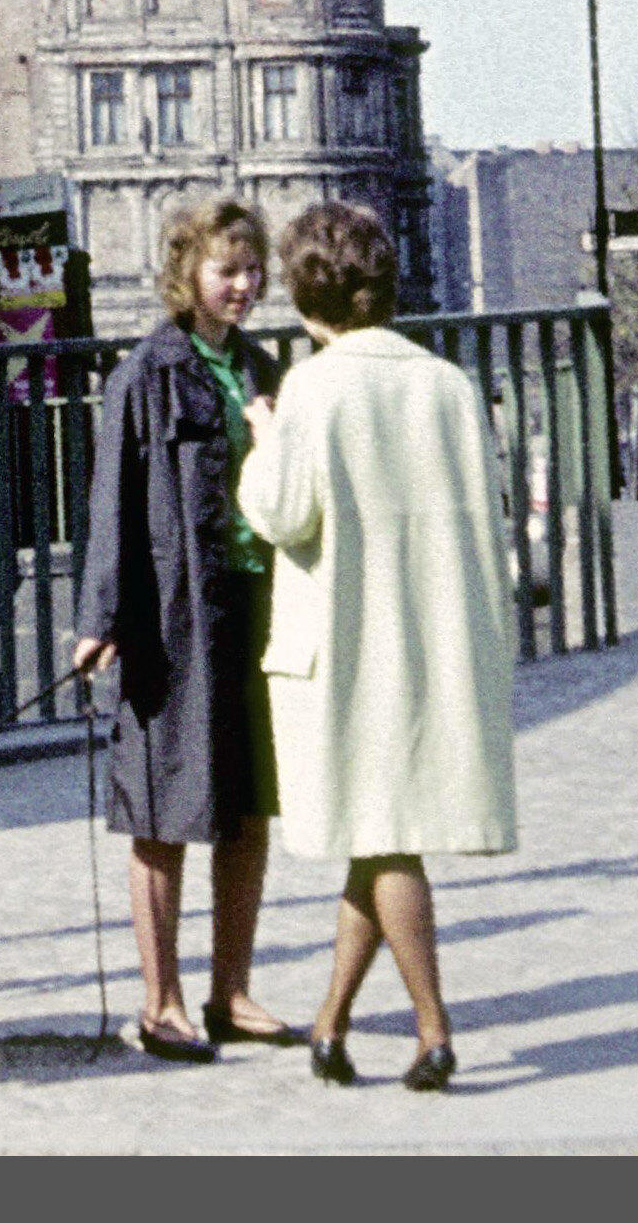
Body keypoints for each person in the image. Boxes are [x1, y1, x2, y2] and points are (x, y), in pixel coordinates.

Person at [237, 201, 517, 1094]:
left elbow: (281, 513)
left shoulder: (315, 387)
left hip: (350, 645)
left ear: (304, 293)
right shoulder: (447, 383)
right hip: (436, 639)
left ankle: (434, 1029)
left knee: (388, 838)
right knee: (380, 833)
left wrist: (263, 440)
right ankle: (331, 1022)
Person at [68, 201, 292, 1063]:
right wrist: (100, 619)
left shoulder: (262, 367)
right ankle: (160, 1002)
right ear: (186, 273)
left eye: (252, 268)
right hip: (173, 617)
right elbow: (112, 503)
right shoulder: (146, 374)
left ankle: (231, 991)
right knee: (163, 809)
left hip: (256, 608)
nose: (244, 284)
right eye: (227, 269)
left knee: (248, 806)